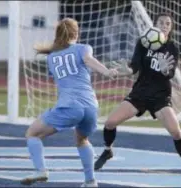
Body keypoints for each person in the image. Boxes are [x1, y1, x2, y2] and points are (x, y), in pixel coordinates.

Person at [94, 13, 181, 176]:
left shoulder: (172, 48)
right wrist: (125, 71)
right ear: (155, 25)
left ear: (171, 28)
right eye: (161, 22)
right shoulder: (143, 42)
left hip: (160, 96)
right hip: (140, 93)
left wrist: (164, 68)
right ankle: (107, 150)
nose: (164, 26)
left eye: (168, 23)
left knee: (176, 132)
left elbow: (169, 74)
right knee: (110, 123)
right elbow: (135, 67)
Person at [20, 17, 118, 187]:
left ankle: (41, 170)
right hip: (91, 107)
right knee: (82, 140)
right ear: (76, 33)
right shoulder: (84, 48)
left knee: (32, 134)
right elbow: (88, 60)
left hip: (70, 106)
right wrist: (107, 72)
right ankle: (90, 181)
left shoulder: (51, 57)